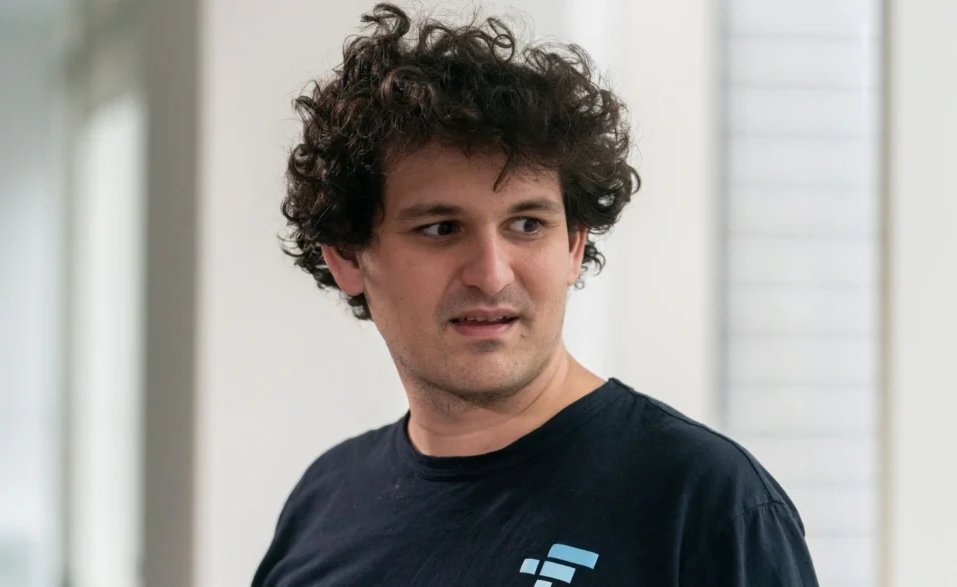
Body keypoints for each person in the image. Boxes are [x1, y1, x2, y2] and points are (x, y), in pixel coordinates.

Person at [253, 3, 819, 586]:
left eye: (527, 225)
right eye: (441, 229)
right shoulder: (324, 503)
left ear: (574, 245)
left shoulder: (702, 504)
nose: (492, 274)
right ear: (347, 257)